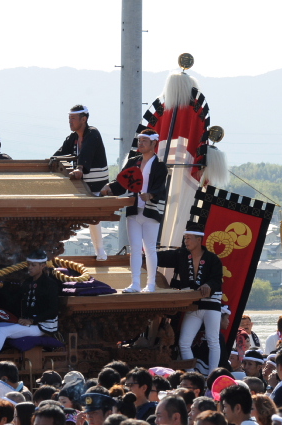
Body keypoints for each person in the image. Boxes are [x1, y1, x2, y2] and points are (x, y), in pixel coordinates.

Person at [0, 250, 60, 373]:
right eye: (29, 264)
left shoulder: (50, 284)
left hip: (43, 326)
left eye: (33, 265)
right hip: (29, 323)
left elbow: (53, 310)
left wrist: (32, 320)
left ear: (43, 266)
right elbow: (14, 300)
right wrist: (2, 287)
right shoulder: (28, 282)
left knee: (2, 331)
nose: (30, 268)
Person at [101, 129, 167, 292]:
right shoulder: (133, 161)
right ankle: (135, 283)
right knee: (135, 248)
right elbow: (121, 181)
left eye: (144, 140)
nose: (141, 143)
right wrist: (109, 188)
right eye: (139, 140)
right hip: (133, 209)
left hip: (151, 210)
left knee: (150, 248)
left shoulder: (159, 165)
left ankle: (151, 284)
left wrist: (150, 195)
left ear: (153, 143)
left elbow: (160, 188)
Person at [155, 226, 223, 374]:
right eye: (185, 238)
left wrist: (208, 285)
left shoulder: (212, 258)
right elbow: (162, 257)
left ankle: (213, 375)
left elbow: (217, 280)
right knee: (184, 342)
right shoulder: (181, 255)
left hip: (211, 304)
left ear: (199, 240)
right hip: (193, 306)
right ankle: (192, 375)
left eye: (189, 238)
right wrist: (144, 256)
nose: (186, 241)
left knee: (213, 341)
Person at [54, 104, 109, 261]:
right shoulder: (72, 138)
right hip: (81, 185)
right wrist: (50, 162)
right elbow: (60, 153)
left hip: (95, 184)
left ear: (83, 119)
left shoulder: (93, 133)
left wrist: (79, 168)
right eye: (69, 118)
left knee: (93, 219)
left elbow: (86, 153)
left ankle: (100, 252)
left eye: (73, 118)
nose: (70, 122)